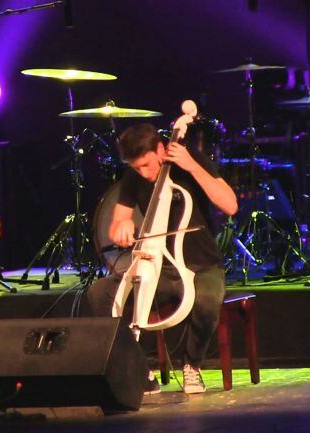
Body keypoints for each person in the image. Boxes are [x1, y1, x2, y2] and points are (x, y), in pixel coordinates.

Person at [85, 122, 237, 394]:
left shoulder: (191, 161)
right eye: (136, 167)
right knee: (99, 293)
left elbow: (230, 204)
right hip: (159, 267)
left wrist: (191, 166)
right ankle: (140, 369)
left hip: (202, 264)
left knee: (208, 299)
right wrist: (123, 227)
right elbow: (119, 220)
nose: (143, 173)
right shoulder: (134, 176)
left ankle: (192, 364)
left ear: (160, 149)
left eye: (146, 164)